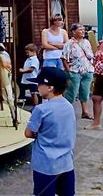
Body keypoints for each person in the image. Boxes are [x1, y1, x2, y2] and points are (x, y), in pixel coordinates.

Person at [25, 67, 76, 196]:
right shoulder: (69, 107)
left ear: (50, 87)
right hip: (66, 163)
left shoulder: (41, 109)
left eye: (40, 83)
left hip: (45, 164)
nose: (37, 86)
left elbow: (28, 133)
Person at [62, 23, 95, 119]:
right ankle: (66, 111)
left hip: (87, 69)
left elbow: (91, 55)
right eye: (80, 29)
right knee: (72, 92)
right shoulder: (69, 43)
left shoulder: (86, 42)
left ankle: (85, 111)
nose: (83, 31)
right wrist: (68, 71)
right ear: (73, 31)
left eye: (83, 30)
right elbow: (64, 58)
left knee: (85, 92)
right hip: (75, 71)